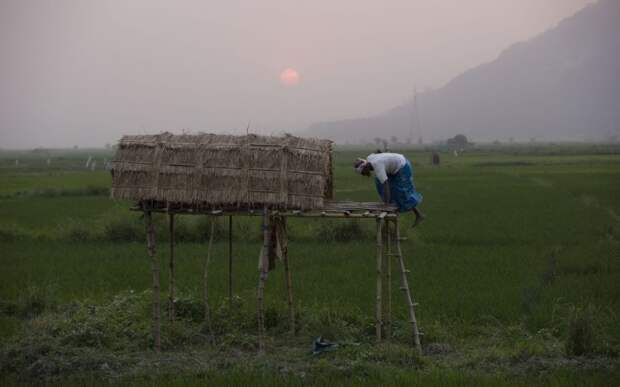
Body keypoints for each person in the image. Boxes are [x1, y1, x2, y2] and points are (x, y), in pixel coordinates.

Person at [354, 152, 425, 227]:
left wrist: (386, 206)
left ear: (365, 167)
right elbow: (378, 153)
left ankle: (418, 215)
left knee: (400, 193)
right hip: (394, 166)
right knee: (379, 181)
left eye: (363, 173)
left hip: (402, 166)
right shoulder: (369, 158)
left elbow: (386, 185)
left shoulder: (378, 167)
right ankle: (388, 203)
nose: (364, 175)